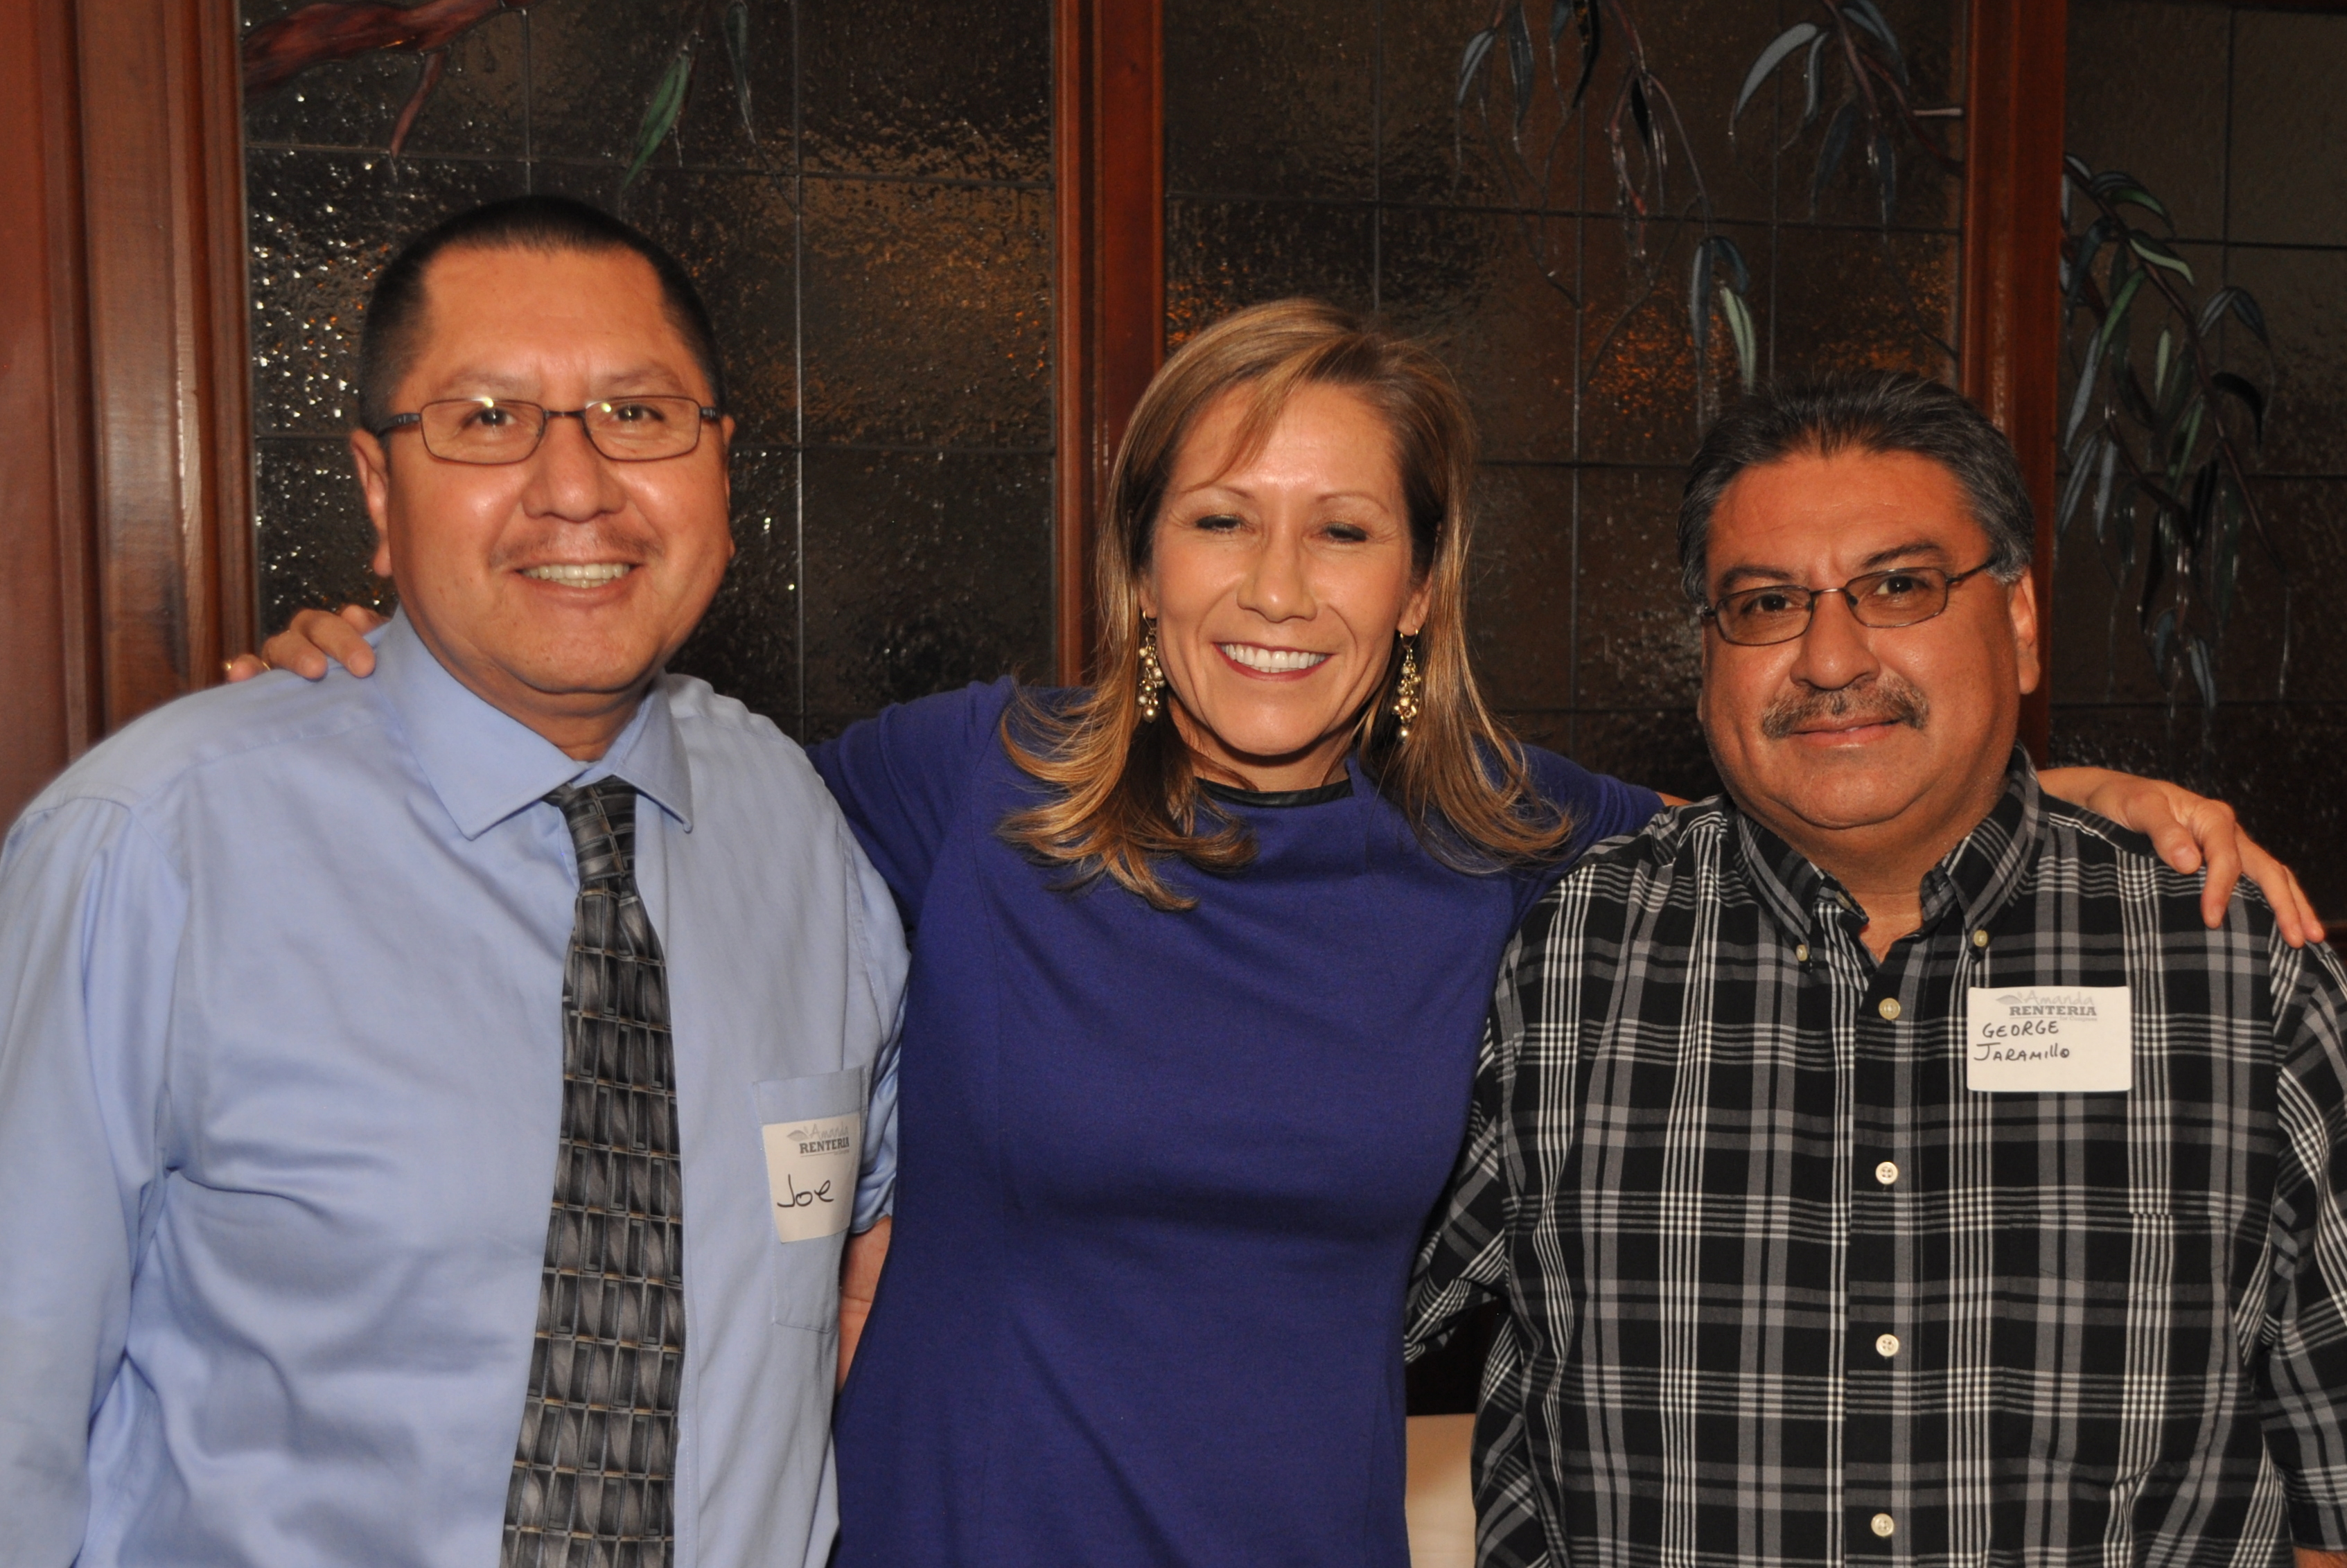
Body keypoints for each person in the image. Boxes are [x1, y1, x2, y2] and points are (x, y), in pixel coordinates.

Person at [245, 306, 2319, 1567]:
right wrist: (402, 673)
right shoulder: (962, 782)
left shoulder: (1510, 846)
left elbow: (1819, 801)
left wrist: (2068, 799)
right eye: (1220, 520)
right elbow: (637, 820)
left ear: (1418, 584)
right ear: (1139, 562)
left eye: (1343, 530)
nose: (1276, 587)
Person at [0, 195, 906, 1568]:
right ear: (378, 489)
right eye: (487, 419)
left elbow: (856, 1270)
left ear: (721, 467)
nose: (575, 484)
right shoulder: (155, 848)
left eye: (638, 413)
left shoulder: (803, 838)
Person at [1408, 370, 2347, 1567]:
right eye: (1766, 604)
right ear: (1706, 657)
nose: (1830, 658)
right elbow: (1303, 1301)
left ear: (2020, 622)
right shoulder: (1560, 960)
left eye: (1898, 587)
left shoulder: (2233, 972)